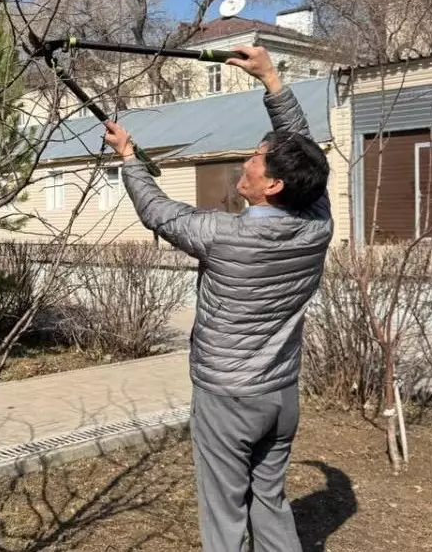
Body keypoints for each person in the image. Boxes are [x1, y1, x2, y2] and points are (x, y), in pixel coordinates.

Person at [104, 45, 332, 552]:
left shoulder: (226, 235)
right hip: (280, 394)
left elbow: (160, 214)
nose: (246, 161)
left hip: (228, 398)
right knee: (268, 500)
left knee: (225, 516)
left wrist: (128, 159)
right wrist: (271, 79)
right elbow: (306, 153)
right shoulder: (317, 219)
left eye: (255, 158)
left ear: (272, 184)